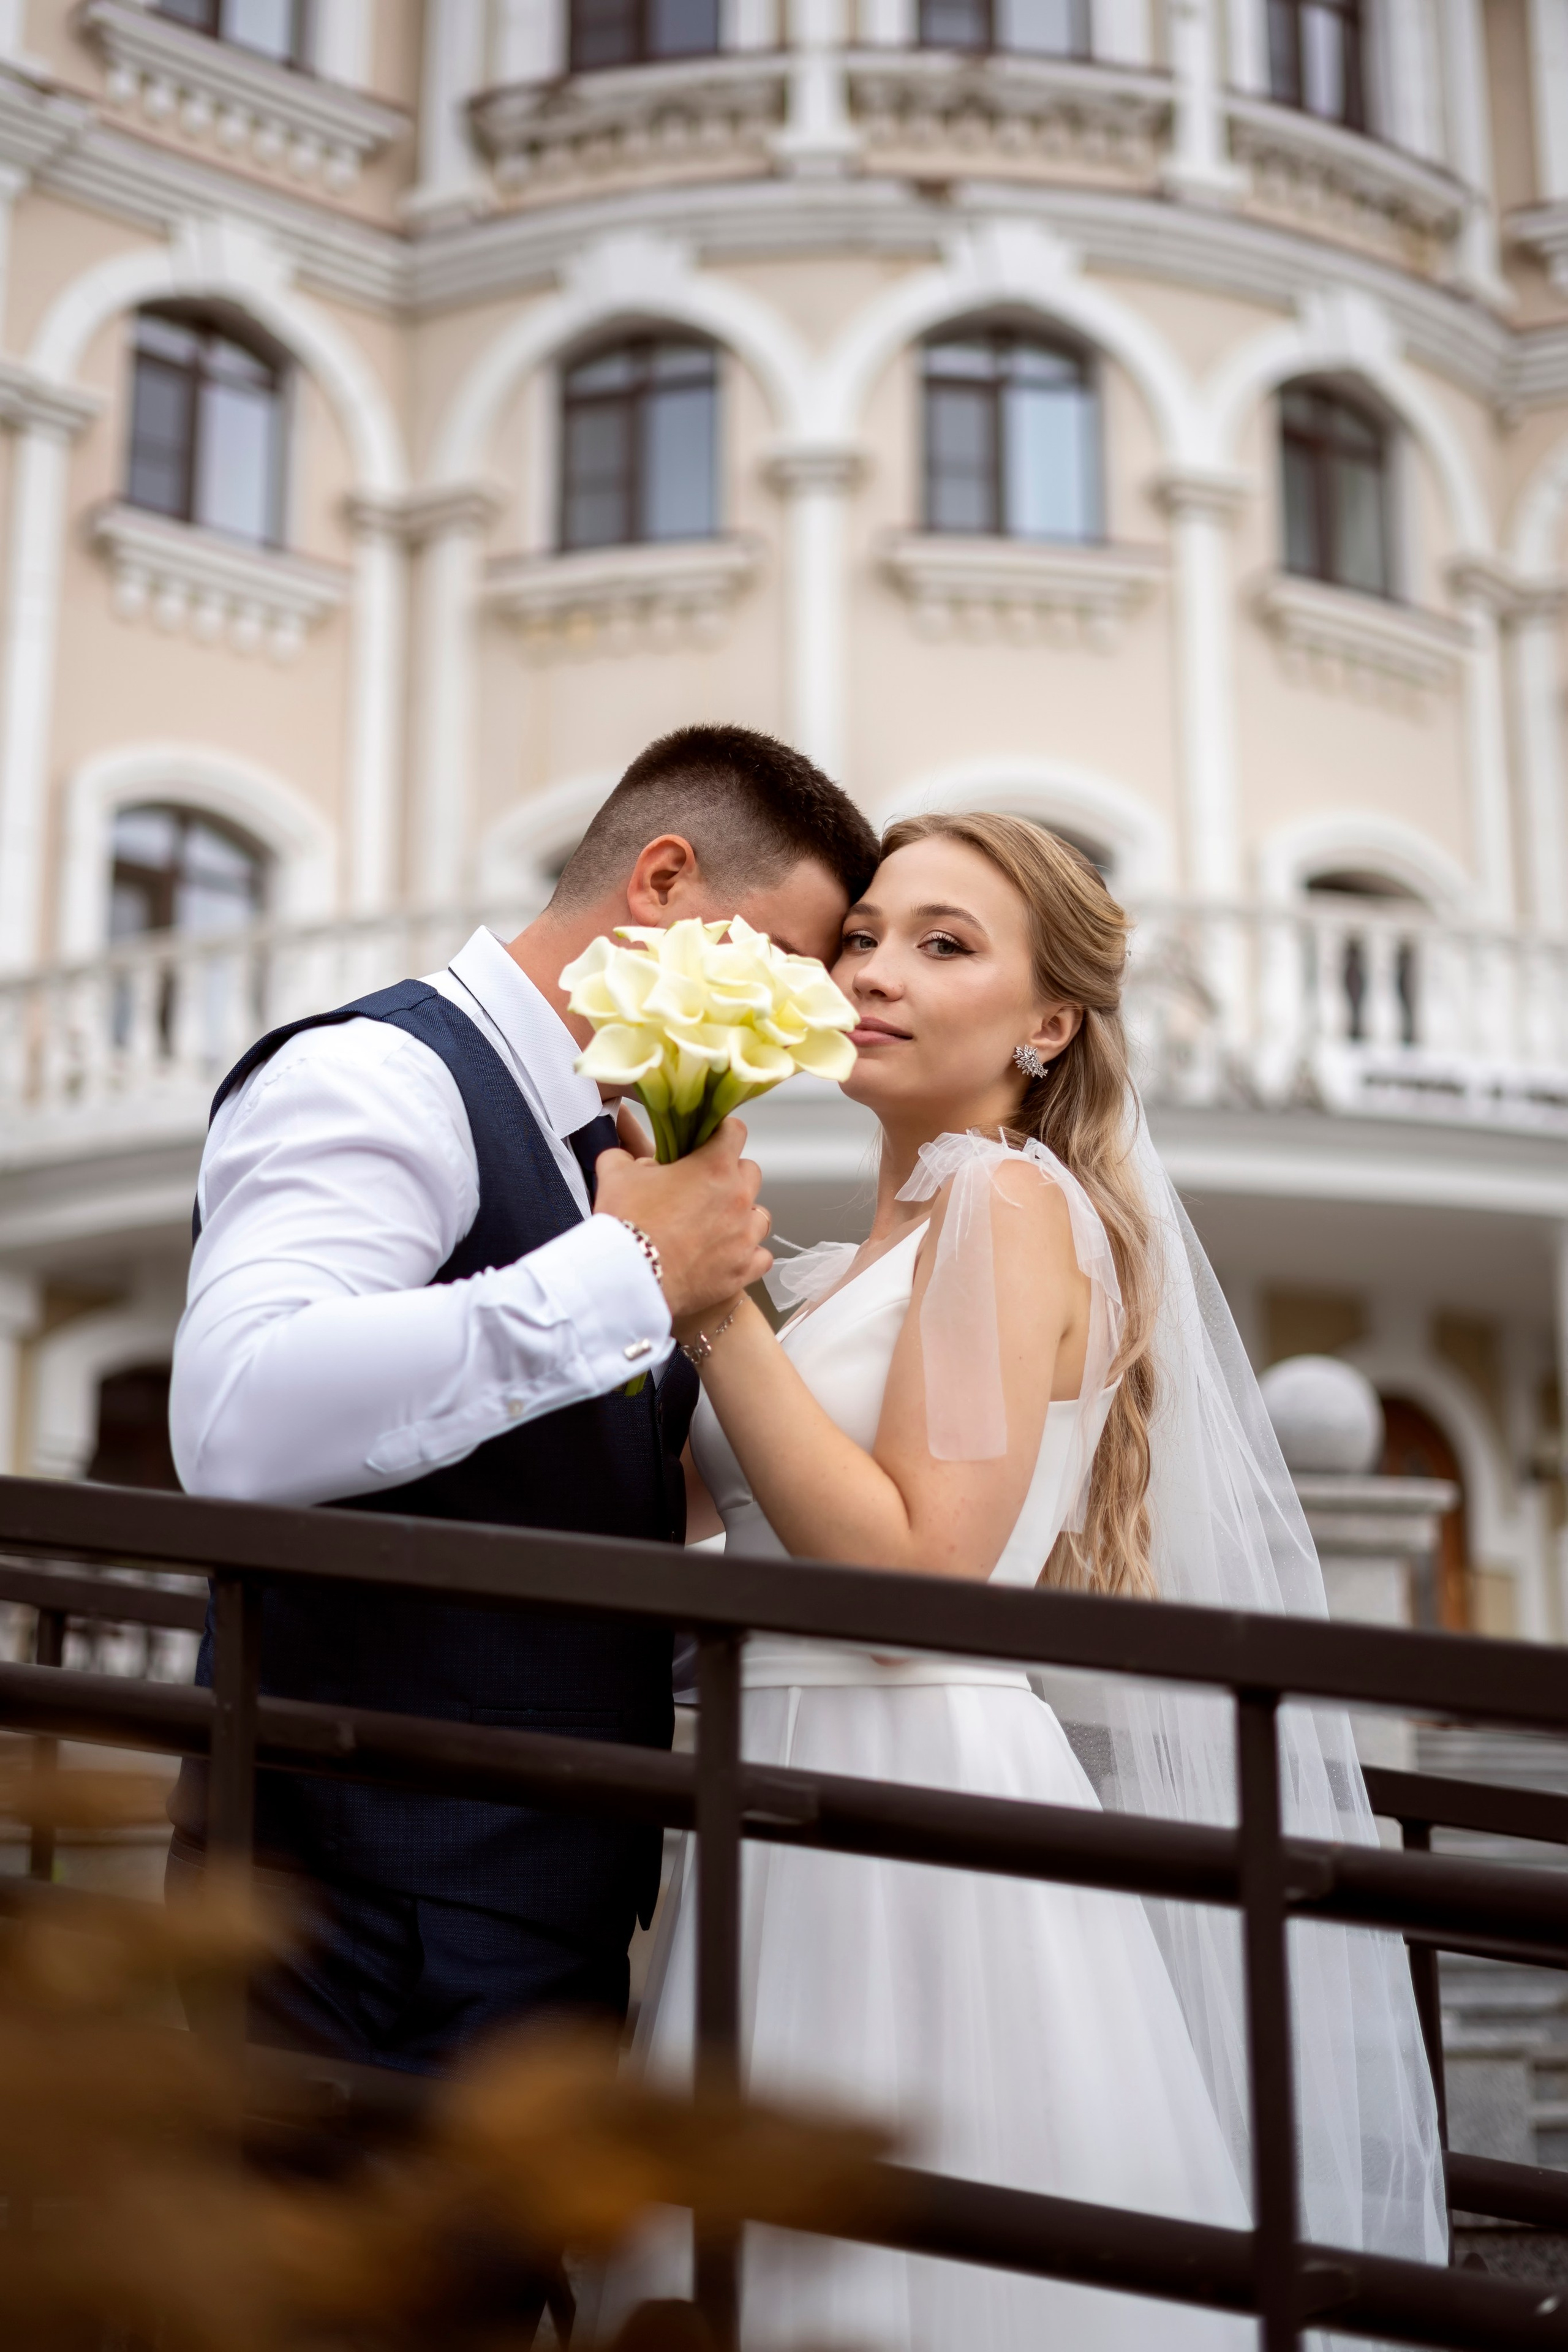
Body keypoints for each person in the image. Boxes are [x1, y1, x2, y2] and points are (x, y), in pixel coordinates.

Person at [616, 812, 1447, 2350]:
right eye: (862, 937)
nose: (874, 971)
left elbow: (920, 1570)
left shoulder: (1004, 1203)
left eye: (943, 945)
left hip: (903, 1795)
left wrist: (710, 1310)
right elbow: (716, 1529)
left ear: (1047, 1024)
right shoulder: (836, 1269)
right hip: (774, 1781)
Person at [165, 723, 880, 2075]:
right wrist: (634, 1269)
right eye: (788, 963)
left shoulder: (610, 1144)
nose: (805, 1029)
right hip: (354, 1903)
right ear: (661, 883)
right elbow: (239, 1417)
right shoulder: (378, 1075)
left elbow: (556, 1497)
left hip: (538, 1895)